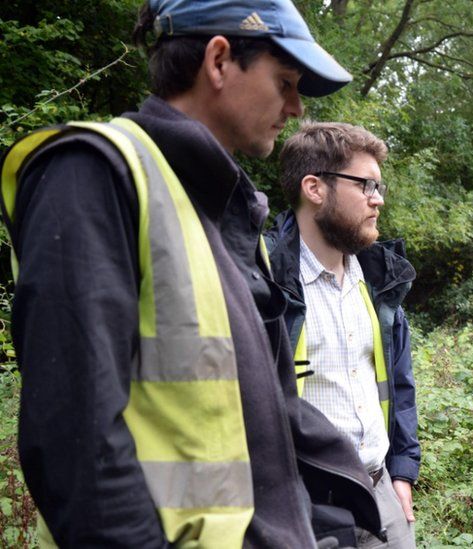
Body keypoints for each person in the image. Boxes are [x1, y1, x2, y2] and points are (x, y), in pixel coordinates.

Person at [0, 1, 385, 547]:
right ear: (220, 61)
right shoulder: (92, 173)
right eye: (285, 82)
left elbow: (256, 414)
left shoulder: (224, 212)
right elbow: (73, 445)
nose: (298, 107)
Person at [266, 122, 420, 548]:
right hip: (303, 505)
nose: (379, 199)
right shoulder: (265, 283)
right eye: (366, 185)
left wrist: (402, 472)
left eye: (379, 186)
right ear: (314, 188)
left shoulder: (378, 280)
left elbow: (399, 384)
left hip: (381, 490)